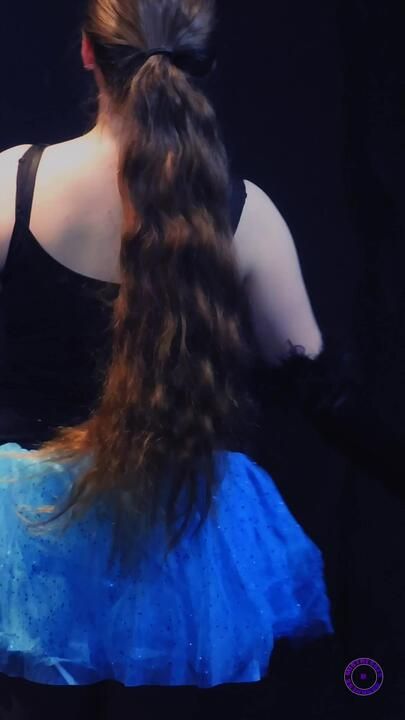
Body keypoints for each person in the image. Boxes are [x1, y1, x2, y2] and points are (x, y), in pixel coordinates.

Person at [0, 0, 333, 710]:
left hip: (25, 537)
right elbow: (306, 365)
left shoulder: (8, 186)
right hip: (179, 541)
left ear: (89, 53)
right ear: (200, 61)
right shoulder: (242, 213)